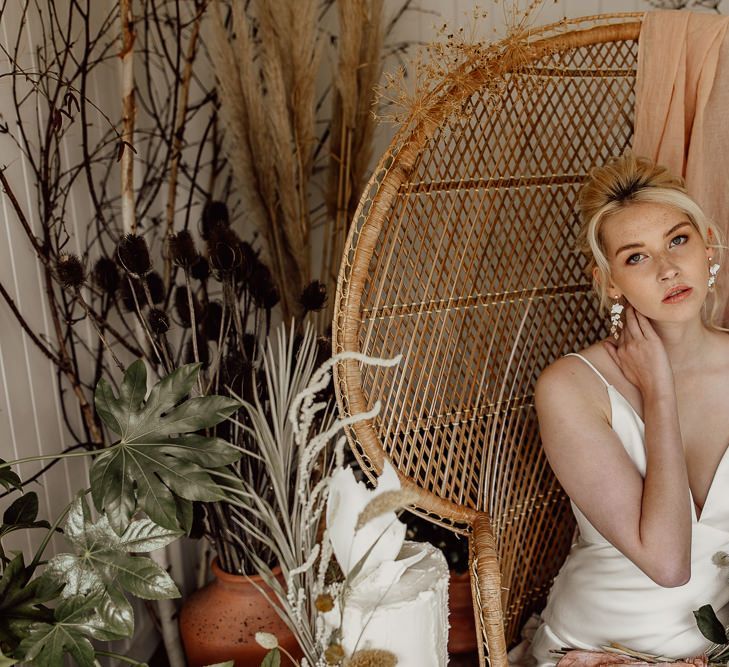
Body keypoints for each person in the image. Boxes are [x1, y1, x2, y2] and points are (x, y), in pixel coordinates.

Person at [528, 150, 729, 665]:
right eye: (636, 256)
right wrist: (658, 391)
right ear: (609, 282)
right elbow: (666, 563)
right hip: (596, 649)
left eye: (678, 241)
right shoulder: (572, 386)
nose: (667, 269)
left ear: (709, 249)